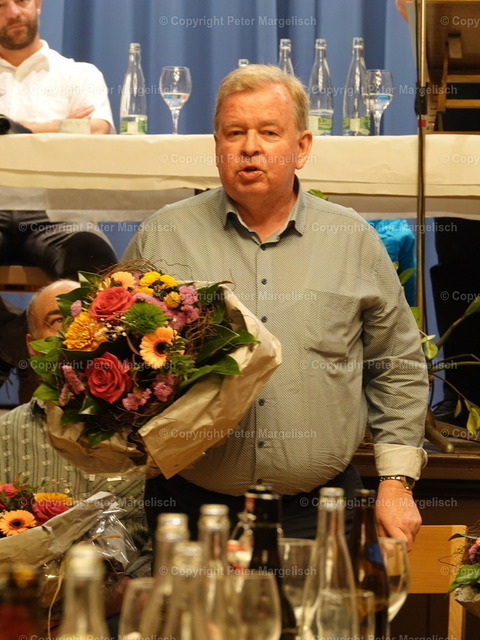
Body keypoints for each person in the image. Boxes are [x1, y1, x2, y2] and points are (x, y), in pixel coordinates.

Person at [124, 64, 429, 549]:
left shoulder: (351, 239)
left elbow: (397, 364)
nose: (250, 147)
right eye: (234, 133)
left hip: (319, 512)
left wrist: (396, 483)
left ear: (302, 147)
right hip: (190, 508)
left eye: (269, 132)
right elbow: (122, 359)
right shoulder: (164, 235)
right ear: (217, 145)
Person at [0, 0, 117, 399]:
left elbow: (97, 130)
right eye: (1, 5)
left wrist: (11, 127)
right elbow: (81, 129)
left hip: (57, 210)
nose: (12, 12)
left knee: (92, 255)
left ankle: (67, 379)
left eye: (20, 0)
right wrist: (64, 127)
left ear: (37, 4)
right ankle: (20, 346)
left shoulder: (78, 74)